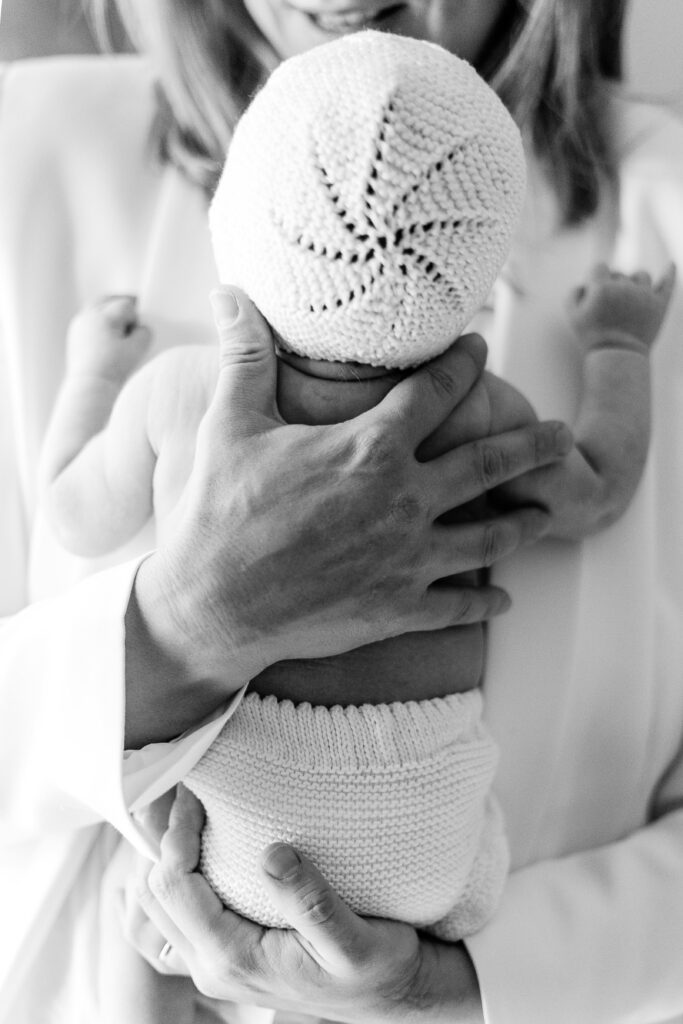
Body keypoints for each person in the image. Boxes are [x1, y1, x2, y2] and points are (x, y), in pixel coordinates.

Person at [0, 1, 682, 1023]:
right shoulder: (25, 151)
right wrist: (186, 623)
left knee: (155, 881)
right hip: (387, 871)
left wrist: (468, 989)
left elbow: (72, 507)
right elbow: (593, 482)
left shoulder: (665, 196)